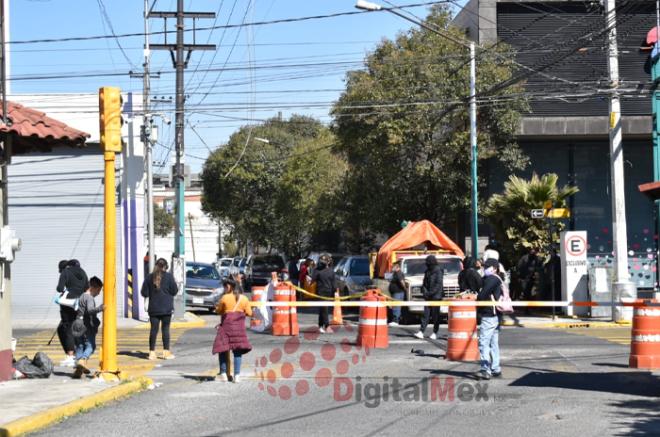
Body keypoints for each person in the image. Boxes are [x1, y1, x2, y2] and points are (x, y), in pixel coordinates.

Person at [213, 277, 253, 383]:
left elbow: (219, 311)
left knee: (222, 349)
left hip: (226, 328)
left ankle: (223, 374)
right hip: (239, 329)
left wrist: (217, 308)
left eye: (224, 287)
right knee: (237, 352)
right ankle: (237, 376)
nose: (224, 289)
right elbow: (249, 313)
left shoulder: (225, 298)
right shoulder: (244, 298)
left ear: (229, 286)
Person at [141, 258, 179, 360]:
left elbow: (144, 293)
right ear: (165, 267)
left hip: (153, 309)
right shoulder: (169, 277)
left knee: (154, 330)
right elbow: (175, 291)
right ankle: (166, 353)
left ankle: (152, 353)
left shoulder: (149, 277)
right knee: (165, 330)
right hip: (166, 308)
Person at [56, 259, 89, 367]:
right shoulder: (83, 272)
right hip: (80, 302)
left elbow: (60, 288)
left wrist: (67, 289)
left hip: (68, 303)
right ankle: (79, 355)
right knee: (77, 327)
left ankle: (70, 356)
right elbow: (86, 288)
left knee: (66, 327)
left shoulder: (66, 272)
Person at [475, 258, 503, 380]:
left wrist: (478, 295)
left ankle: (485, 369)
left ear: (495, 268)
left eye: (487, 267)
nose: (484, 269)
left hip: (489, 315)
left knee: (483, 343)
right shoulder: (492, 279)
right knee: (493, 343)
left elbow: (482, 295)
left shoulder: (492, 279)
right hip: (494, 315)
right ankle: (496, 368)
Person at [73, 276, 104, 377]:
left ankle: (78, 369)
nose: (99, 293)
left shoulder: (81, 296)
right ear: (93, 288)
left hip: (77, 323)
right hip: (86, 325)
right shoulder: (89, 298)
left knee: (80, 346)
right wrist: (100, 308)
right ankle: (83, 360)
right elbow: (90, 310)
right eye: (99, 290)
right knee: (91, 345)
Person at [414, 255, 444, 340]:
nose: (426, 264)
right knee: (425, 314)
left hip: (436, 297)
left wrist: (430, 293)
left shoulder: (438, 271)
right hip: (428, 296)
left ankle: (435, 332)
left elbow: (438, 285)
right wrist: (425, 291)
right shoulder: (427, 271)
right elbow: (424, 283)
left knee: (435, 315)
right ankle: (421, 331)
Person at [311, 254, 337, 333]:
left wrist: (334, 292)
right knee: (324, 309)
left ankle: (320, 326)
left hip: (328, 292)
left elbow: (334, 284)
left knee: (323, 309)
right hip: (321, 292)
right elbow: (312, 280)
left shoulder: (331, 271)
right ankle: (327, 326)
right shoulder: (317, 270)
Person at [388, 261, 406, 326]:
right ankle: (395, 319)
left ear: (396, 267)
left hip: (397, 292)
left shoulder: (398, 273)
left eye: (392, 267)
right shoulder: (395, 273)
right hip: (396, 292)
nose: (391, 268)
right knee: (396, 306)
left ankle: (395, 321)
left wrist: (404, 288)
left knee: (396, 306)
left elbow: (402, 281)